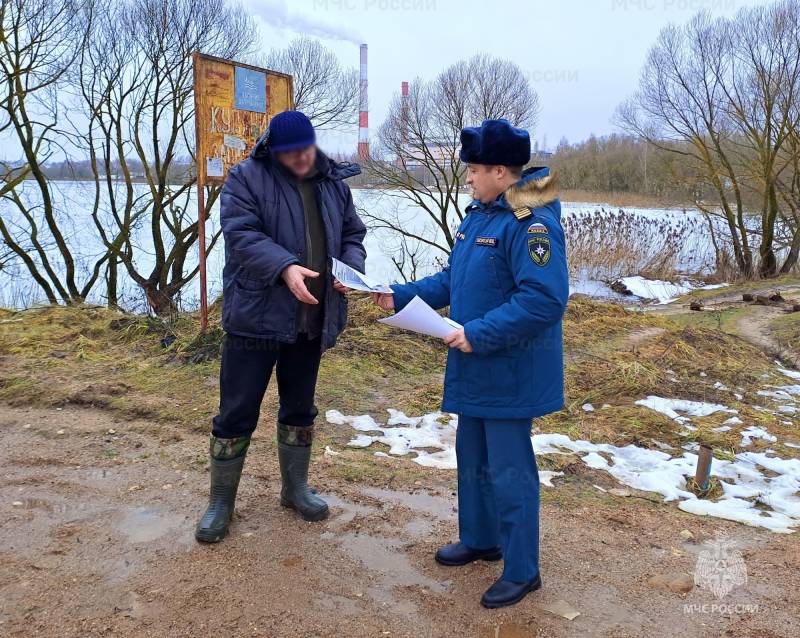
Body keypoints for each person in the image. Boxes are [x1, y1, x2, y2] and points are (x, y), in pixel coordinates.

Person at [373, 118, 568, 608]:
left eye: (474, 170)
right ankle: (481, 540)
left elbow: (544, 300)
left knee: (510, 471)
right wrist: (398, 295)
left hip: (510, 369)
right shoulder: (480, 215)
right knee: (473, 459)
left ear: (500, 172)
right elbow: (453, 280)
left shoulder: (532, 222)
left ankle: (522, 571)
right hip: (475, 364)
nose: (467, 178)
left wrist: (478, 334)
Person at [195, 110, 367, 543]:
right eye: (291, 154)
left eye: (305, 150)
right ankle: (220, 503)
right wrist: (285, 267)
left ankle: (294, 490)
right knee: (236, 412)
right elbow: (241, 235)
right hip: (254, 319)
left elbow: (353, 234)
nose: (301, 159)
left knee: (299, 409)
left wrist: (350, 269)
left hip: (311, 318)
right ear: (273, 150)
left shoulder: (333, 182)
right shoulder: (246, 178)